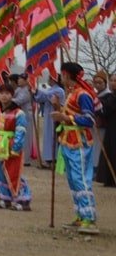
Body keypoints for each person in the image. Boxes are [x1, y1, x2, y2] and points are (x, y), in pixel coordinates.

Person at [51, 62, 98, 234]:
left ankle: (89, 217)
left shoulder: (83, 95)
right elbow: (67, 115)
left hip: (80, 140)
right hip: (67, 139)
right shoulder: (71, 93)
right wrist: (57, 107)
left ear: (67, 75)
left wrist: (65, 117)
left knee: (81, 178)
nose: (61, 78)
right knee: (72, 179)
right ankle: (80, 214)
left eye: (62, 74)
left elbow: (89, 120)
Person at [0, 81, 31, 211]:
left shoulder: (18, 113)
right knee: (0, 172)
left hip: (11, 144)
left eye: (7, 93)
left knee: (13, 172)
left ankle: (22, 200)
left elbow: (21, 131)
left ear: (12, 95)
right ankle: (4, 198)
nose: (4, 96)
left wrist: (16, 147)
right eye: (1, 93)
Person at [34, 76, 66, 169]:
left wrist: (35, 89)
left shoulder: (59, 90)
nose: (48, 80)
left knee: (53, 137)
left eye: (50, 78)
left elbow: (45, 95)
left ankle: (54, 160)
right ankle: (48, 159)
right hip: (49, 116)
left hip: (56, 116)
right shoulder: (51, 89)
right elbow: (40, 98)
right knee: (48, 137)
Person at [97, 73, 116, 188]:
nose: (113, 83)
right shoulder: (111, 96)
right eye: (112, 80)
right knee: (110, 150)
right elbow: (104, 110)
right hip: (111, 128)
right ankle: (109, 178)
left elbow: (108, 108)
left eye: (115, 81)